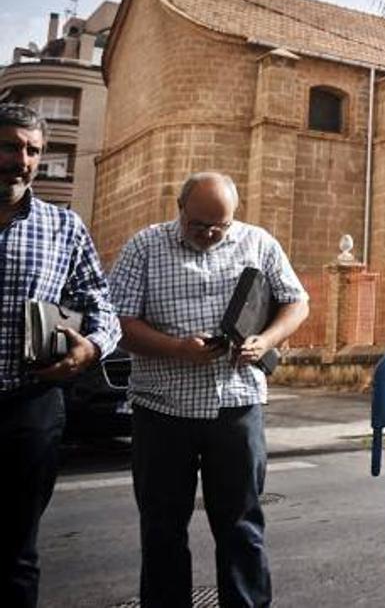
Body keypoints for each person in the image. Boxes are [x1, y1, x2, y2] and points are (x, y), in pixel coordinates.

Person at [108, 172, 310, 608]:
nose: (210, 234)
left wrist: (267, 340)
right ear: (179, 210)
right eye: (199, 225)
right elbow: (118, 323)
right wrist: (177, 349)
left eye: (221, 226)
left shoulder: (258, 242)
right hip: (161, 409)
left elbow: (297, 301)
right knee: (162, 529)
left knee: (242, 527)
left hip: (236, 407)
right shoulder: (144, 247)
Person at [0, 103, 121, 608]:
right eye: (9, 146)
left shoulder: (63, 227)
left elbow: (101, 304)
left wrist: (92, 347)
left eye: (32, 150)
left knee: (16, 553)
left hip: (30, 405)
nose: (21, 160)